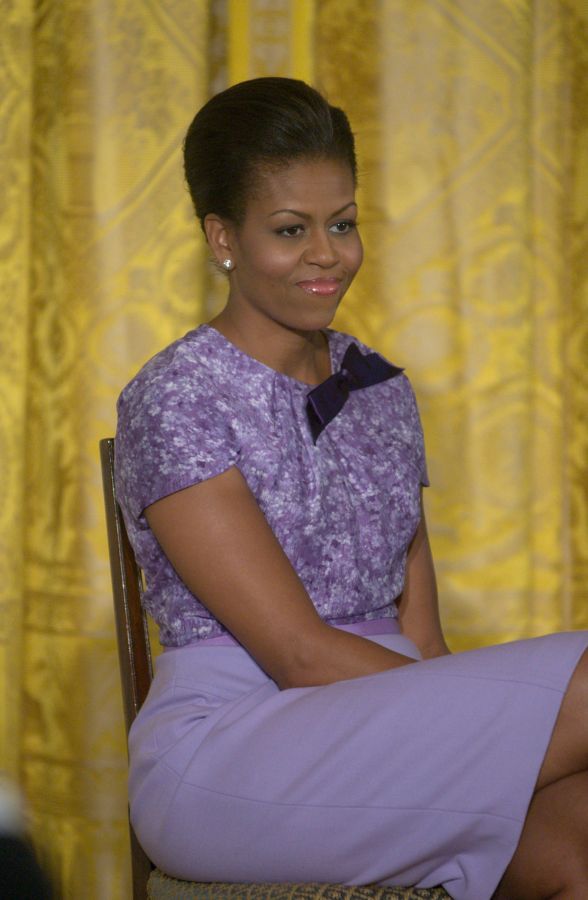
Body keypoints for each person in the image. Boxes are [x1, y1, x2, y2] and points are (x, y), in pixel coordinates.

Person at [115, 78, 588, 899]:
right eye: (290, 230)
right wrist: (474, 712)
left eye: (343, 223)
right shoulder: (178, 396)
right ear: (222, 236)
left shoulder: (381, 388)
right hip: (233, 748)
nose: (327, 253)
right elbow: (296, 654)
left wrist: (459, 708)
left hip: (394, 718)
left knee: (581, 834)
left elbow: (426, 643)